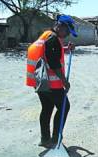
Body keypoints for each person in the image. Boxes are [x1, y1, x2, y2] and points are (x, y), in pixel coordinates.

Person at [26, 15, 77, 148]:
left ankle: (45, 139)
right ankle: (55, 138)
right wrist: (64, 81)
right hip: (51, 84)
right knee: (64, 107)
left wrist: (65, 49)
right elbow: (54, 62)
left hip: (40, 83)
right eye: (67, 31)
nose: (67, 35)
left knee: (47, 108)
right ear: (59, 26)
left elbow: (48, 53)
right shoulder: (53, 39)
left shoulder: (46, 36)